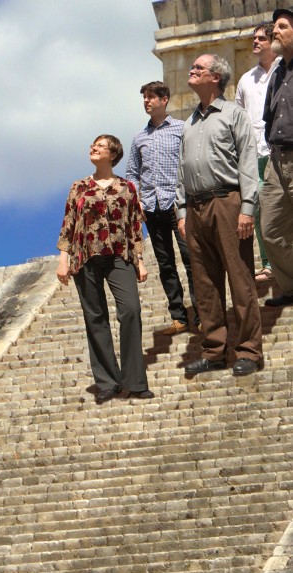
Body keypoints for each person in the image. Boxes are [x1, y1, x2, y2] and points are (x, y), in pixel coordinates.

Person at [176, 54, 263, 377]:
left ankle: (249, 351)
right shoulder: (189, 123)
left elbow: (248, 162)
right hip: (195, 208)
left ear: (215, 77)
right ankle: (213, 351)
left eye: (199, 67)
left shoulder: (234, 114)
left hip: (227, 202)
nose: (192, 70)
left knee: (241, 282)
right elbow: (180, 170)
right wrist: (182, 211)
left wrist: (247, 208)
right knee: (205, 285)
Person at [56, 134, 152, 403]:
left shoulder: (127, 187)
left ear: (113, 154)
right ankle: (107, 382)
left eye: (100, 146)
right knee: (95, 318)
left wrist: (140, 260)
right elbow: (69, 224)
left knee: (130, 310)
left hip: (119, 257)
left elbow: (135, 226)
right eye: (92, 145)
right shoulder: (79, 186)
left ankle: (134, 381)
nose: (93, 148)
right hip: (85, 257)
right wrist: (63, 260)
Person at [126, 81, 199, 334]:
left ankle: (201, 314)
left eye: (151, 97)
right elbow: (132, 173)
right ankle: (178, 316)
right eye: (144, 98)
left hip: (178, 204)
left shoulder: (182, 128)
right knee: (165, 264)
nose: (146, 102)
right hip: (150, 206)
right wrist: (137, 203)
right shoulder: (139, 139)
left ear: (164, 99)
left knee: (190, 259)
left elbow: (190, 162)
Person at [235, 22, 280, 282]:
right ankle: (268, 263)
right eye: (254, 38)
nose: (255, 42)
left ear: (272, 41)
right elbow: (240, 118)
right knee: (260, 208)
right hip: (256, 154)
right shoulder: (245, 80)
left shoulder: (286, 69)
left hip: (283, 149)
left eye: (261, 38)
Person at [261, 7, 293, 307]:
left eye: (282, 26)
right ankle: (291, 286)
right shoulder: (278, 72)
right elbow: (268, 118)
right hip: (276, 158)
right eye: (274, 27)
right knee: (270, 229)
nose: (275, 31)